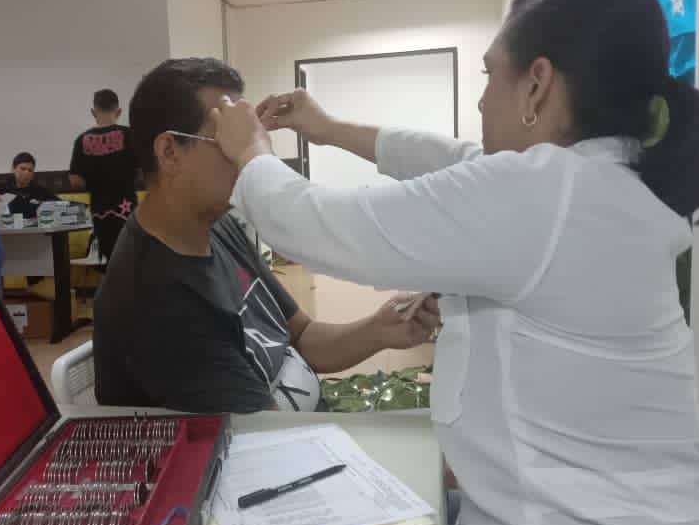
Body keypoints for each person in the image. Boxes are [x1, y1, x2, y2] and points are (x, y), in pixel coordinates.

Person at [213, 0, 699, 525]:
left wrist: (252, 155)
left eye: (486, 77)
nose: (481, 102)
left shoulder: (550, 195)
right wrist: (328, 129)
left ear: (536, 84)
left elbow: (317, 224)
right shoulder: (607, 184)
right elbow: (456, 161)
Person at [93, 58, 440, 413]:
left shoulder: (220, 226)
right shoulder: (157, 301)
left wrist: (379, 330)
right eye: (228, 137)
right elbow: (264, 439)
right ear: (169, 152)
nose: (244, 152)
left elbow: (301, 337)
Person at [69, 89, 138, 262]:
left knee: (110, 260)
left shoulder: (82, 140)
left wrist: (94, 181)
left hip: (100, 210)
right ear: (119, 111)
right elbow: (144, 172)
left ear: (94, 112)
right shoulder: (130, 135)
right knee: (131, 258)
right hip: (127, 207)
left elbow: (75, 181)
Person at [0, 152, 59, 219]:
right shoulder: (2, 189)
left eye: (30, 170)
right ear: (13, 169)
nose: (26, 173)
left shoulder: (41, 191)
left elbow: (60, 204)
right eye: (23, 169)